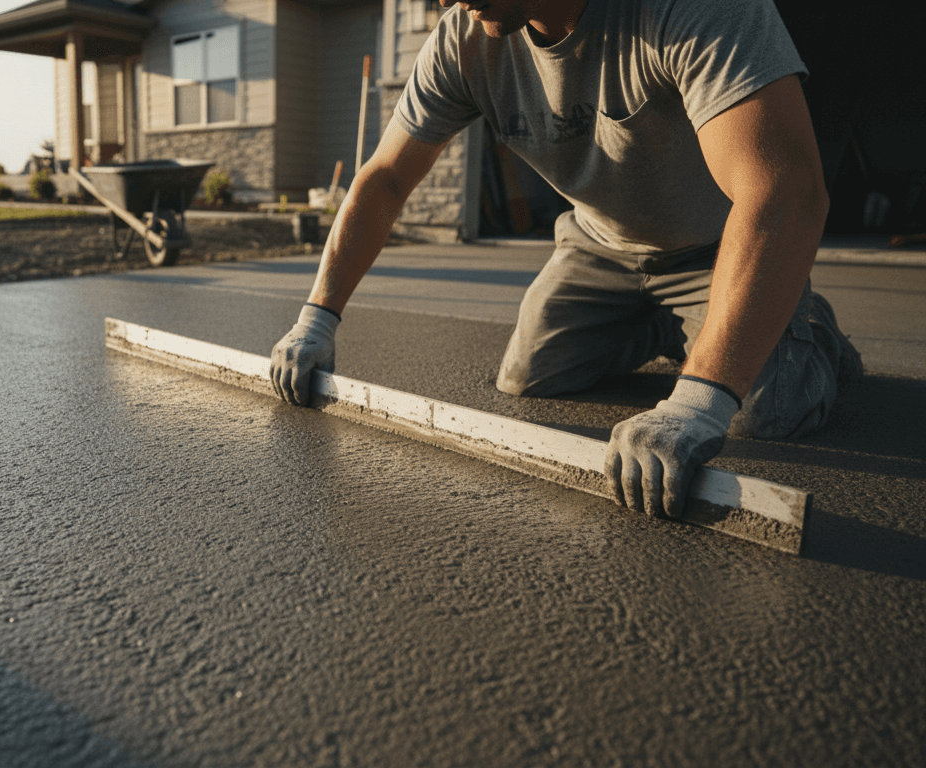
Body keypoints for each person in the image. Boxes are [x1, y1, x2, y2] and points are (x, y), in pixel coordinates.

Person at [269, 0, 861, 519]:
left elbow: (786, 190)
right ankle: (675, 324)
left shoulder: (689, 7)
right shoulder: (462, 40)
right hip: (600, 244)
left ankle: (803, 326)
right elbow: (386, 178)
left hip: (715, 247)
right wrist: (316, 319)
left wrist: (698, 399)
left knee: (762, 412)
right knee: (530, 374)